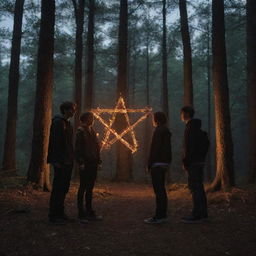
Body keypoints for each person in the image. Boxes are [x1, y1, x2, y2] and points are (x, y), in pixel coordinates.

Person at [47, 101, 77, 225]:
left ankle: (60, 213)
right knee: (58, 188)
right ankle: (53, 215)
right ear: (65, 110)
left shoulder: (67, 123)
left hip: (68, 161)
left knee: (64, 188)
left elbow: (69, 144)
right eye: (72, 109)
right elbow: (54, 143)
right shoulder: (58, 123)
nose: (74, 111)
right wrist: (55, 160)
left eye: (74, 109)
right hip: (61, 161)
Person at [180, 106, 209, 223]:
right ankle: (203, 213)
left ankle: (196, 214)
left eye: (182, 113)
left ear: (186, 114)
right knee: (199, 187)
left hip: (193, 163)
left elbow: (189, 147)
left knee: (195, 188)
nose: (181, 116)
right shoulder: (196, 127)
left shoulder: (190, 128)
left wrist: (186, 162)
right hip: (199, 161)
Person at [144, 112, 172, 224]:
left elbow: (154, 149)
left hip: (157, 164)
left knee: (159, 190)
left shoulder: (159, 131)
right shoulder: (166, 131)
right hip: (164, 163)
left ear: (156, 119)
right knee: (162, 190)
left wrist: (150, 164)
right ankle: (162, 215)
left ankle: (159, 216)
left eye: (153, 118)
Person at [75, 112, 102, 223]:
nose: (93, 119)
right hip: (85, 163)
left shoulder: (92, 131)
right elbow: (78, 148)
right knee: (83, 187)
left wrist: (98, 161)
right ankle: (81, 213)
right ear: (85, 119)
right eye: (91, 118)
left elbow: (97, 147)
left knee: (90, 188)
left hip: (93, 163)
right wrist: (81, 162)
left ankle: (89, 211)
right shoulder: (80, 132)